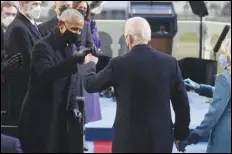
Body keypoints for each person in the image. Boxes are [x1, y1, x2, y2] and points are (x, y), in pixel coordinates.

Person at [82, 17, 191, 153]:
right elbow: (182, 104)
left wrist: (90, 63)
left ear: (129, 38)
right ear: (148, 37)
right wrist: (180, 134)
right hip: (160, 137)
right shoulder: (170, 63)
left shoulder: (118, 64)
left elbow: (91, 85)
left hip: (127, 139)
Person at [18, 8, 87, 153]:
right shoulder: (42, 47)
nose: (77, 34)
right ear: (61, 25)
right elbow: (46, 76)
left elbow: (71, 82)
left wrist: (73, 106)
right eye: (74, 29)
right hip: (39, 120)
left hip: (59, 119)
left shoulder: (69, 47)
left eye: (80, 30)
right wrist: (72, 61)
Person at [178, 38, 231, 153]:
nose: (221, 56)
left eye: (223, 53)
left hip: (226, 138)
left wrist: (195, 135)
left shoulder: (225, 79)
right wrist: (198, 87)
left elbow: (213, 115)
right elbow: (225, 94)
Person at [4, 1, 42, 126]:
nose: (37, 7)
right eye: (34, 3)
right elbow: (28, 60)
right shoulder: (18, 27)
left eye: (39, 3)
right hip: (24, 90)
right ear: (22, 3)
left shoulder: (30, 23)